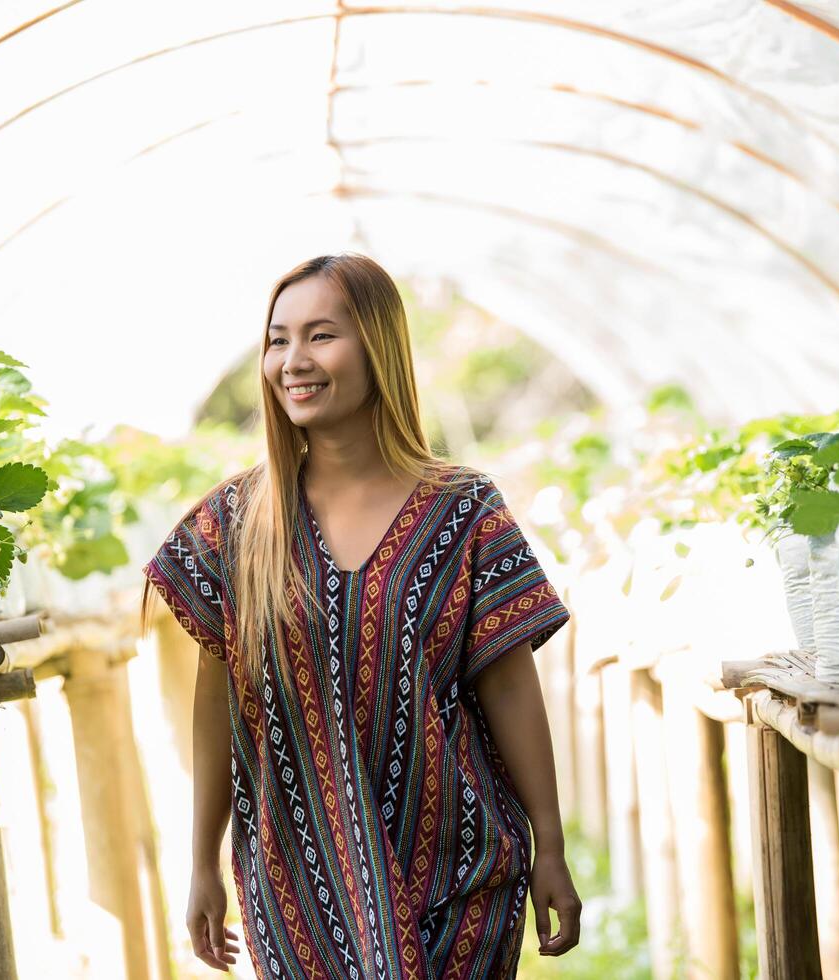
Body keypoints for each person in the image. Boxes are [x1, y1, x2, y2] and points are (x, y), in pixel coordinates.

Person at [141, 252, 580, 977]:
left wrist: (551, 845)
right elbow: (217, 702)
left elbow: (508, 686)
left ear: (377, 347)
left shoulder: (464, 508)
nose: (292, 361)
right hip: (298, 888)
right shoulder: (235, 522)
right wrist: (202, 863)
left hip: (460, 872)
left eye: (320, 335)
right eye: (277, 339)